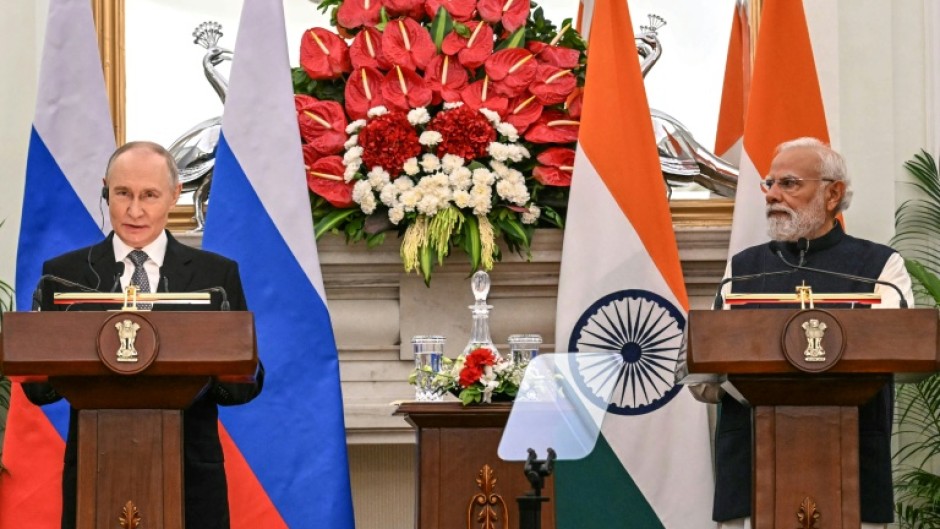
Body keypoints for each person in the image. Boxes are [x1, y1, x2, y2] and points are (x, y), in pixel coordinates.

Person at [23, 141, 264, 529]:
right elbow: (38, 390)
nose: (135, 210)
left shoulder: (214, 277)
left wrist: (206, 369)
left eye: (149, 195)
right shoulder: (64, 275)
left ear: (173, 195)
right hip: (95, 473)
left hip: (191, 479)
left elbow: (242, 388)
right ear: (106, 190)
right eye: (123, 194)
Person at [703, 137, 913, 529]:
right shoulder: (745, 267)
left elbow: (895, 351)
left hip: (851, 461)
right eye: (769, 184)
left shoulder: (880, 266)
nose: (771, 195)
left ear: (832, 193)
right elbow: (705, 373)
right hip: (752, 462)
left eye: (789, 183)